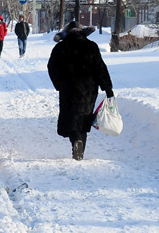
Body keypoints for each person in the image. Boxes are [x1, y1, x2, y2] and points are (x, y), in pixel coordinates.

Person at [47, 21, 114, 161]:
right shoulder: (91, 46)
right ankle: (81, 148)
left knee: (71, 118)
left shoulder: (61, 47)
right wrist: (108, 88)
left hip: (68, 88)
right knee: (84, 118)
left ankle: (76, 141)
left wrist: (59, 84)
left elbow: (52, 67)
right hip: (88, 89)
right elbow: (100, 68)